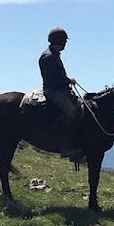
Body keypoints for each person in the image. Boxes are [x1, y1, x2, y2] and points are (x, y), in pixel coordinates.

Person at [39, 27, 81, 159]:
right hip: (54, 91)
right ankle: (66, 147)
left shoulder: (53, 54)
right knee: (72, 112)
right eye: (64, 41)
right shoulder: (49, 57)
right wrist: (68, 80)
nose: (65, 44)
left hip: (59, 89)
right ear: (59, 41)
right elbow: (53, 78)